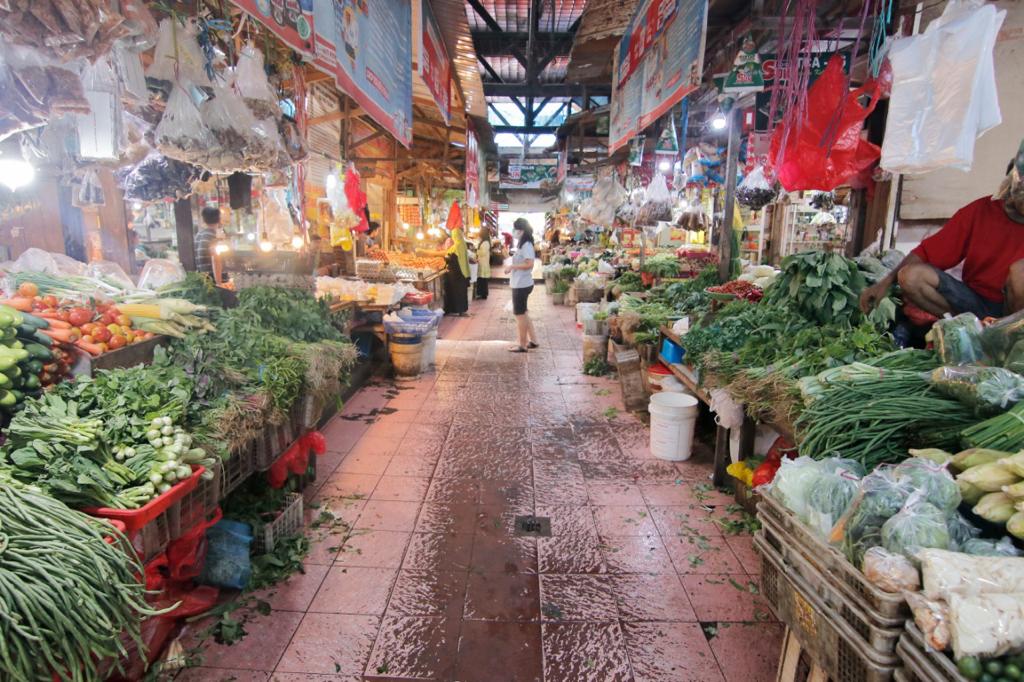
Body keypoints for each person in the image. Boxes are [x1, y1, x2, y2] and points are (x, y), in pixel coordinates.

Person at [861, 146, 1024, 319]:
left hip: (1014, 314)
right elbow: (927, 253)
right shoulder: (981, 211)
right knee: (910, 276)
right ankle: (968, 325)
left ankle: (1008, 333)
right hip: (972, 300)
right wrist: (885, 283)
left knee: (1020, 272)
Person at [506, 218, 539, 352]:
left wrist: (512, 266)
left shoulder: (526, 245)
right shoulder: (523, 243)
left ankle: (522, 345)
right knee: (524, 313)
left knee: (520, 315)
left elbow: (529, 264)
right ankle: (534, 340)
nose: (513, 232)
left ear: (521, 231)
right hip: (521, 283)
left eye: (515, 229)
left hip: (522, 284)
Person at [443, 227, 470, 316]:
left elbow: (451, 257)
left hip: (456, 272)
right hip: (462, 272)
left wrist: (446, 258)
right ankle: (461, 310)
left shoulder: (457, 245)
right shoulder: (462, 243)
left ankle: (454, 309)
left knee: (454, 291)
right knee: (461, 292)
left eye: (453, 234)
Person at [195, 206, 223, 285]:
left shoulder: (198, 235)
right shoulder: (214, 236)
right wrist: (219, 283)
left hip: (202, 279)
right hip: (213, 280)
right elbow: (215, 259)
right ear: (219, 220)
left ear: (204, 220)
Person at [475, 228, 491, 300]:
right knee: (481, 279)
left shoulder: (485, 242)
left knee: (483, 280)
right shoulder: (484, 241)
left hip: (483, 264)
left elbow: (482, 252)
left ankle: (483, 294)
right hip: (482, 262)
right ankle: (481, 293)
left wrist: (477, 251)